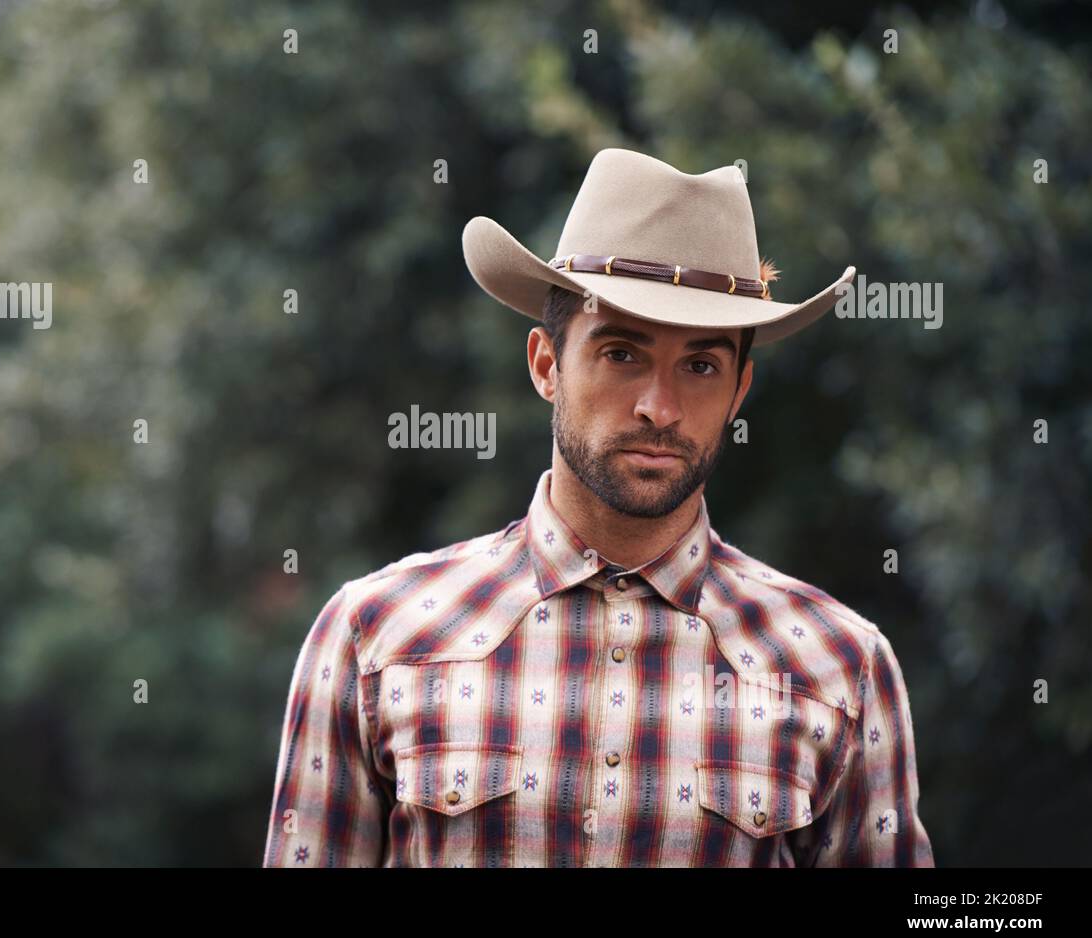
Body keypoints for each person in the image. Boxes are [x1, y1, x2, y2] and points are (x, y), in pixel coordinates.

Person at [262, 148, 934, 867]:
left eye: (701, 366)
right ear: (546, 365)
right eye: (621, 353)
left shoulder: (838, 668)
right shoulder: (375, 637)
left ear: (739, 392)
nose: (659, 407)